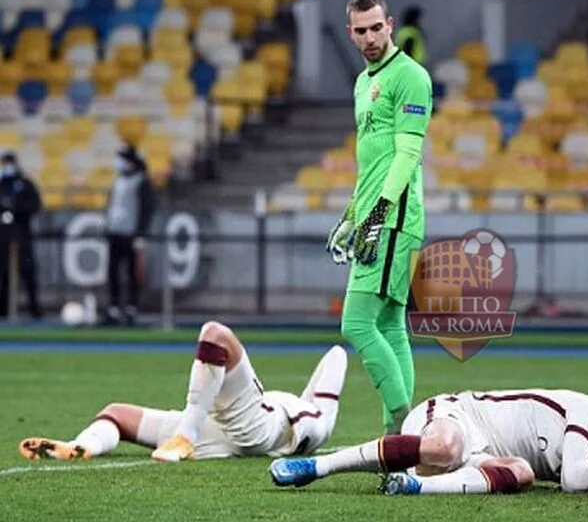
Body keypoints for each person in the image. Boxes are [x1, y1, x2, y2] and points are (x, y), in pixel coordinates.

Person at [269, 388, 588, 495]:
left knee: (523, 474)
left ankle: (414, 487)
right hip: (458, 416)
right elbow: (577, 479)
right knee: (445, 447)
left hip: (487, 452)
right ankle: (319, 467)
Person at [326, 0, 433, 434]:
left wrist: (376, 217)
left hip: (392, 220)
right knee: (390, 324)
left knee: (355, 323)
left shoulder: (410, 77)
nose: (370, 37)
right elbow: (370, 161)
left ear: (389, 25)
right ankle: (403, 440)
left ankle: (402, 426)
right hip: (374, 217)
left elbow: (407, 156)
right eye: (361, 30)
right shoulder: (362, 83)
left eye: (376, 27)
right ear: (351, 33)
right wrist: (353, 213)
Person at [19, 321, 348, 462]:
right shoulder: (316, 422)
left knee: (215, 334)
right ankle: (83, 445)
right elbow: (337, 356)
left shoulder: (317, 419)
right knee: (116, 414)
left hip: (250, 427)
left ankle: (185, 435)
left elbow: (336, 355)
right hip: (226, 434)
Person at [103, 144, 154, 326]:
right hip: (115, 232)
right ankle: (114, 307)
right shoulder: (118, 180)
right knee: (113, 272)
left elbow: (146, 209)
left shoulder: (141, 181)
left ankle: (132, 307)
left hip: (131, 234)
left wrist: (141, 234)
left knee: (132, 273)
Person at [0, 149, 42, 319]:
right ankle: (3, 310)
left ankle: (34, 309)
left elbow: (35, 204)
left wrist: (17, 211)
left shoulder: (24, 183)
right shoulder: (1, 183)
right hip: (2, 235)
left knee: (27, 270)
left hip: (21, 233)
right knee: (3, 273)